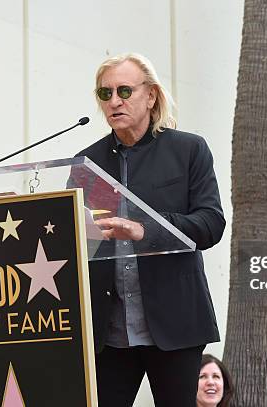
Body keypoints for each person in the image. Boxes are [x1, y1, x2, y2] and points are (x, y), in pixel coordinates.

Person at [68, 53, 225, 407]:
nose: (114, 101)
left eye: (124, 90)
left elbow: (211, 224)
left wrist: (144, 230)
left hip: (174, 323)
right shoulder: (88, 163)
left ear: (151, 96)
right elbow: (72, 235)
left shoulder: (188, 149)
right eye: (105, 93)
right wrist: (37, 214)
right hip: (108, 331)